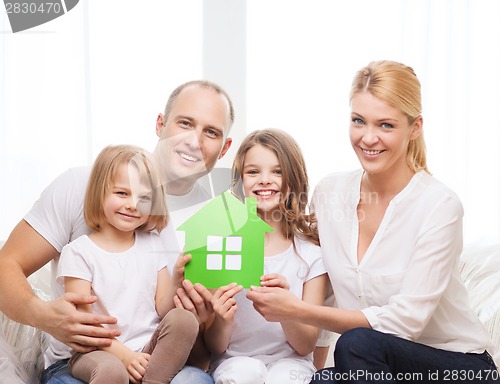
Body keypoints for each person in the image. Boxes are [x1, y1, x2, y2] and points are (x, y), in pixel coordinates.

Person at [246, 61, 499, 383]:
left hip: (456, 367)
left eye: (386, 125)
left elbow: (404, 324)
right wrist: (314, 370)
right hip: (376, 369)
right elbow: (327, 294)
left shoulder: (439, 206)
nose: (368, 138)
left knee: (356, 343)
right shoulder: (331, 193)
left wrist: (296, 310)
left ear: (415, 127)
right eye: (358, 121)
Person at [0, 80, 234, 384]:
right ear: (160, 124)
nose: (194, 141)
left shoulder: (215, 225)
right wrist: (43, 315)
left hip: (155, 360)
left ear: (225, 147)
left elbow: (200, 353)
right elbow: (7, 264)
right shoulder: (83, 184)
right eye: (185, 123)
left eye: (211, 132)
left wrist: (203, 322)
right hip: (83, 361)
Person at [58, 144, 198, 383]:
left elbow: (163, 310)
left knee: (185, 320)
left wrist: (177, 281)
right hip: (98, 351)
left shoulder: (153, 244)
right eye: (122, 193)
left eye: (144, 197)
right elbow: (84, 326)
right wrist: (125, 356)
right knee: (113, 371)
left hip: (147, 349)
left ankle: (153, 380)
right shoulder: (79, 252)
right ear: (99, 193)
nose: (133, 204)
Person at [204, 129, 328, 383]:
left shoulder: (311, 254)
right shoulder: (224, 246)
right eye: (253, 172)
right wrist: (221, 318)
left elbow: (306, 346)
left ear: (293, 179)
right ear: (239, 181)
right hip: (234, 362)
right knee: (244, 374)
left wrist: (286, 311)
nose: (264, 180)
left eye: (277, 171)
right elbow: (216, 346)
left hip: (292, 364)